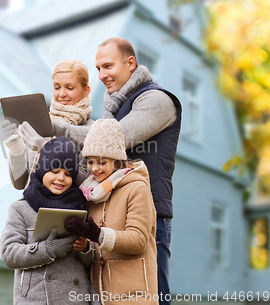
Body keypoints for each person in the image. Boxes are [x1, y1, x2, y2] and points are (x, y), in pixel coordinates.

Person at [52, 38, 182, 305]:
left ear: (130, 63)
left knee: (152, 296)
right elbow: (95, 164)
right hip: (108, 214)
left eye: (108, 66)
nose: (102, 75)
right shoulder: (115, 108)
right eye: (98, 68)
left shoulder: (157, 100)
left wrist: (54, 128)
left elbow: (113, 138)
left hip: (148, 213)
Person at [65, 119, 158, 305]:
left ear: (117, 161)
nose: (95, 168)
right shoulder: (92, 195)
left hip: (135, 295)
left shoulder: (136, 189)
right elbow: (96, 251)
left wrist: (98, 234)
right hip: (102, 296)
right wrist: (85, 247)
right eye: (90, 161)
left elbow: (138, 240)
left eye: (102, 162)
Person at [1, 137, 100, 305]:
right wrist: (47, 249)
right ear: (42, 170)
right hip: (36, 298)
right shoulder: (20, 209)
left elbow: (90, 262)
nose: (61, 178)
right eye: (55, 171)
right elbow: (9, 254)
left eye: (68, 174)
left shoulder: (80, 208)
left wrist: (85, 249)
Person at [2, 59, 94, 190]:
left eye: (69, 88)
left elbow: (86, 182)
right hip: (32, 206)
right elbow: (20, 184)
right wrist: (15, 149)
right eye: (57, 87)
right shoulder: (39, 125)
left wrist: (47, 150)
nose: (61, 94)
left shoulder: (92, 130)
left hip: (68, 208)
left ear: (86, 90)